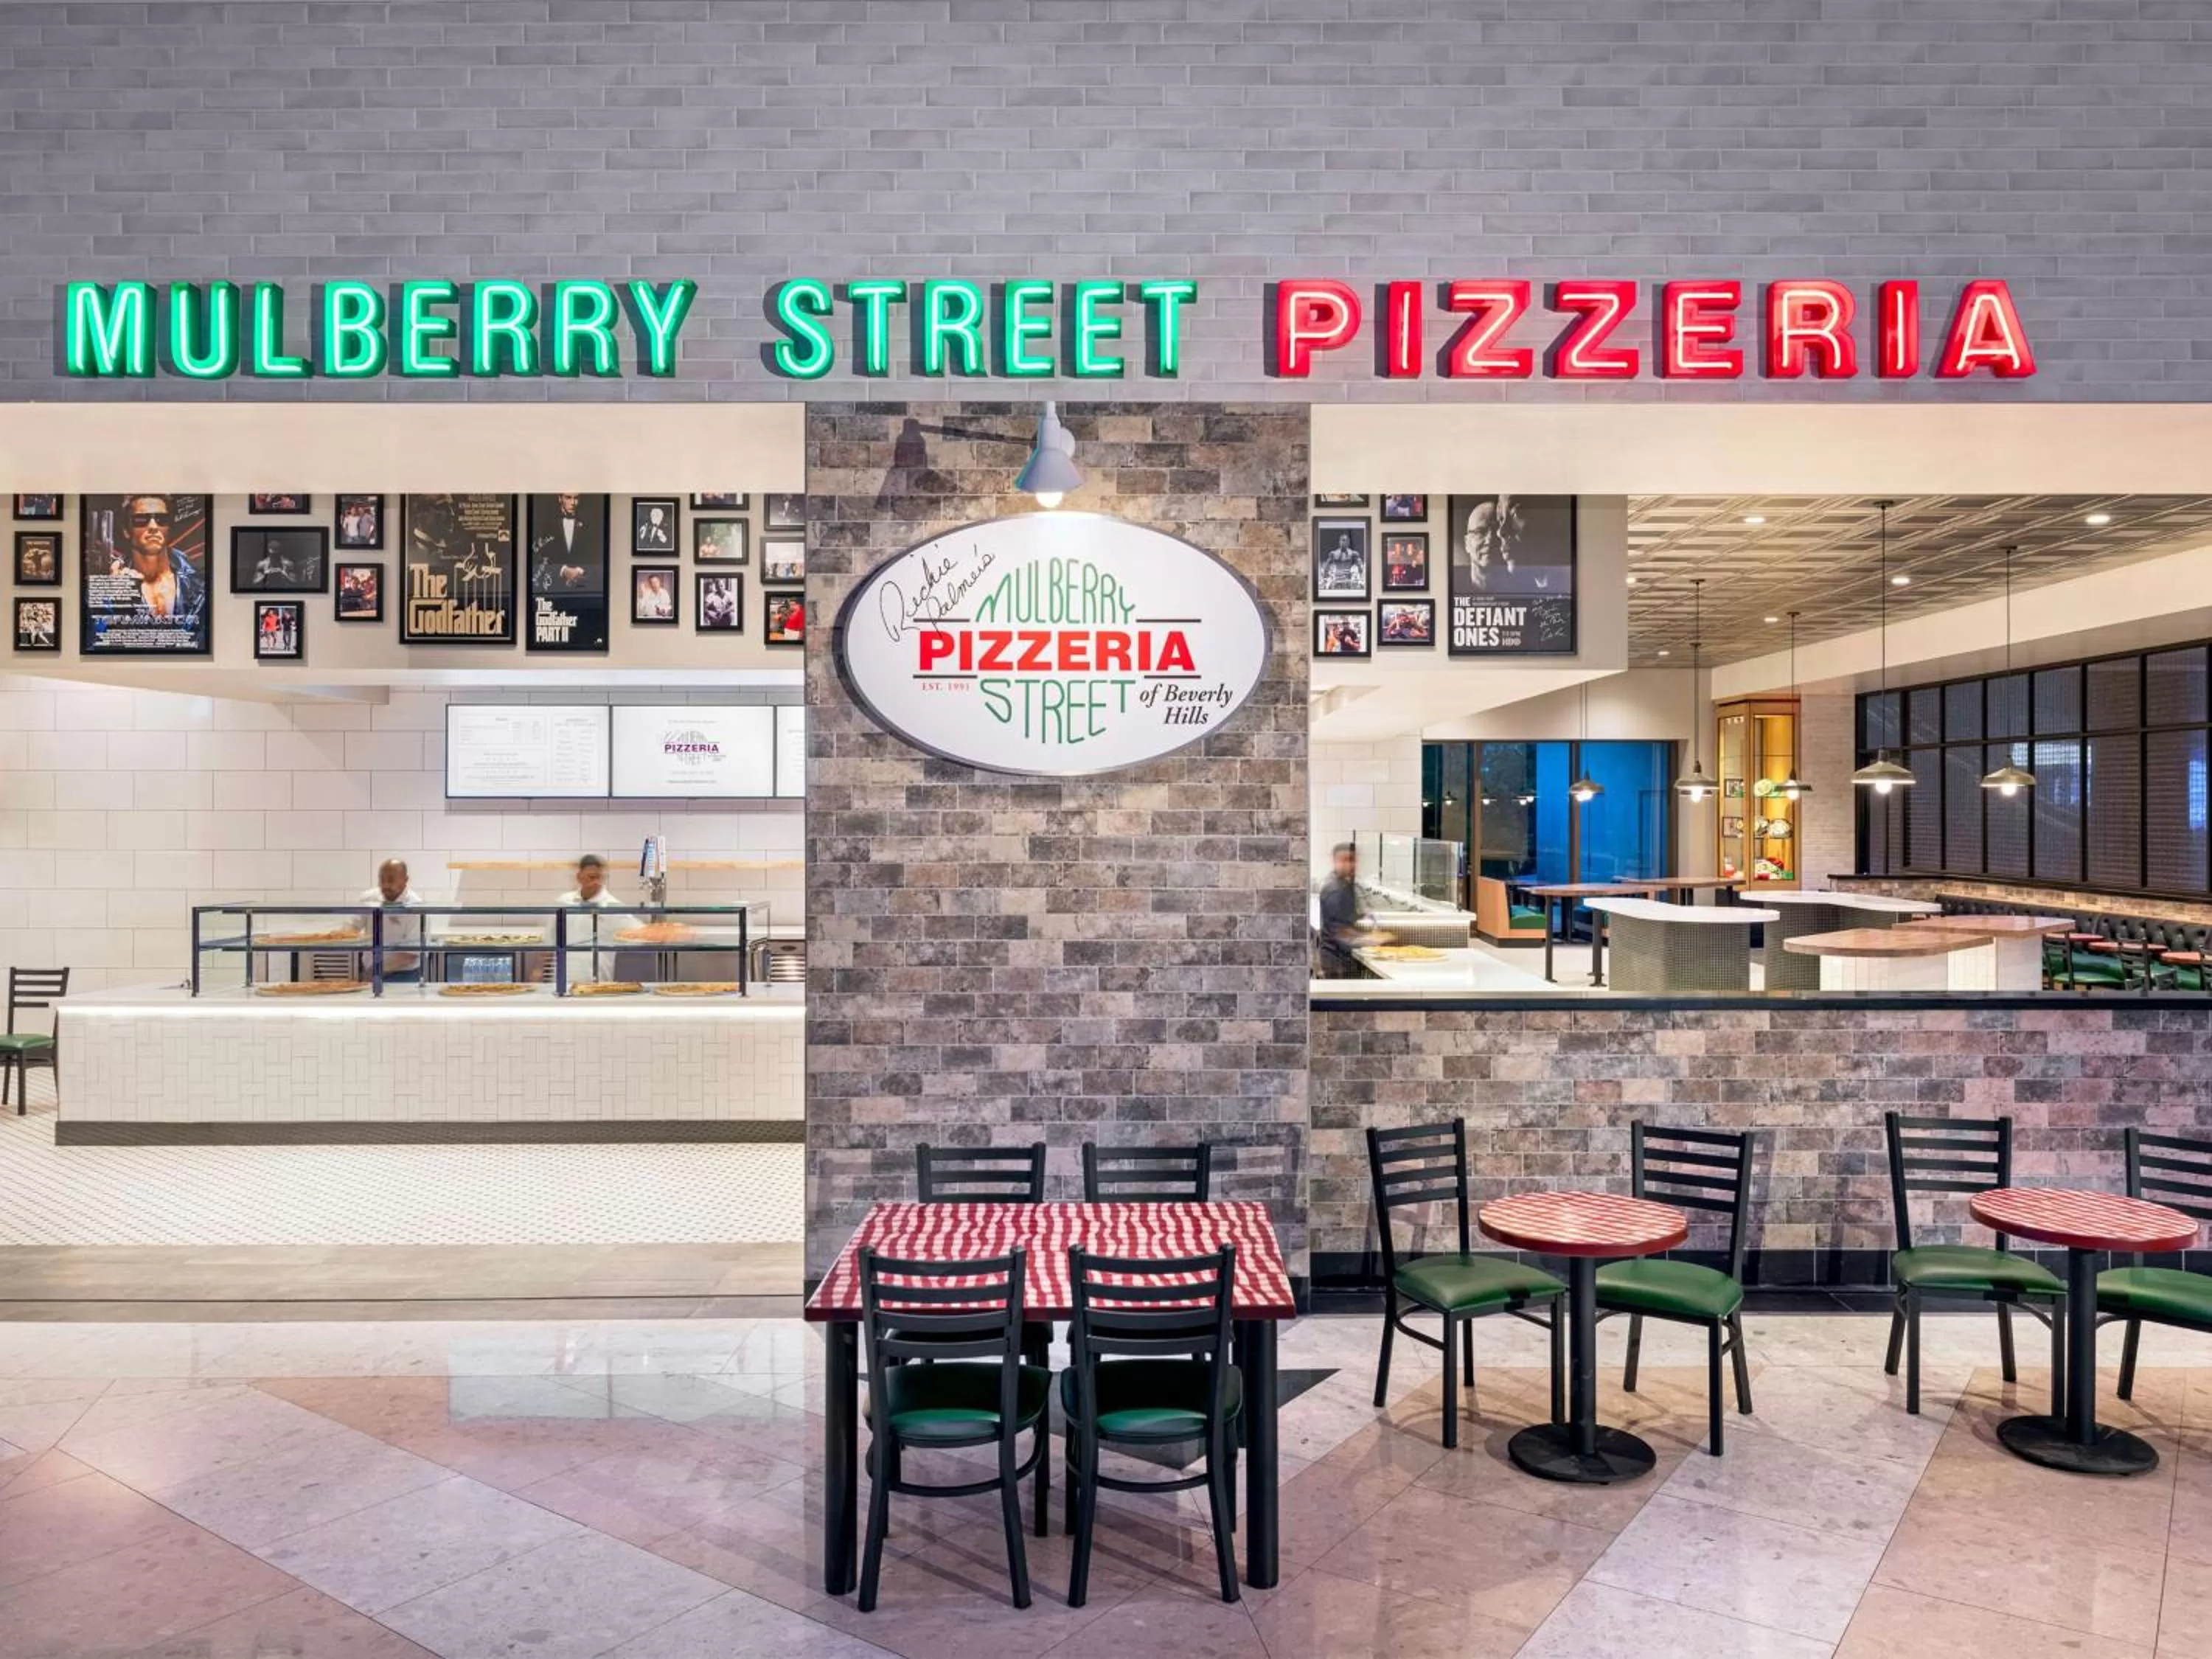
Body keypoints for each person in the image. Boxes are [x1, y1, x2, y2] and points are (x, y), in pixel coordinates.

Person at [106, 494, 207, 626]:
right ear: (126, 530)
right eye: (141, 519)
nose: (153, 526)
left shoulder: (199, 584)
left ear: (168, 528)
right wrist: (121, 604)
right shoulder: (111, 586)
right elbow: (97, 640)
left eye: (162, 519)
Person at [557, 854, 630, 985]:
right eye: (591, 877)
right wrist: (537, 970)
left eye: (599, 878)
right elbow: (552, 938)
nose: (596, 882)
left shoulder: (613, 906)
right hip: (565, 979)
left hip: (598, 980)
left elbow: (636, 931)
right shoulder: (564, 902)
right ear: (579, 877)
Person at [1315, 841, 1379, 979]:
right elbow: (1340, 932)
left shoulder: (1343, 884)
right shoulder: (1336, 889)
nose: (1350, 865)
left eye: (1352, 860)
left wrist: (1361, 916)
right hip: (1337, 962)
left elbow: (1342, 917)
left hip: (1335, 958)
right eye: (1345, 860)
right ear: (1335, 861)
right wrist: (1372, 939)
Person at [355, 858, 425, 984]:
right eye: (382, 880)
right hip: (370, 971)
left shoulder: (415, 906)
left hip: (405, 975)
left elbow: (410, 954)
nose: (386, 885)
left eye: (391, 880)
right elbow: (351, 928)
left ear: (405, 880)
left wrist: (375, 971)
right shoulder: (368, 899)